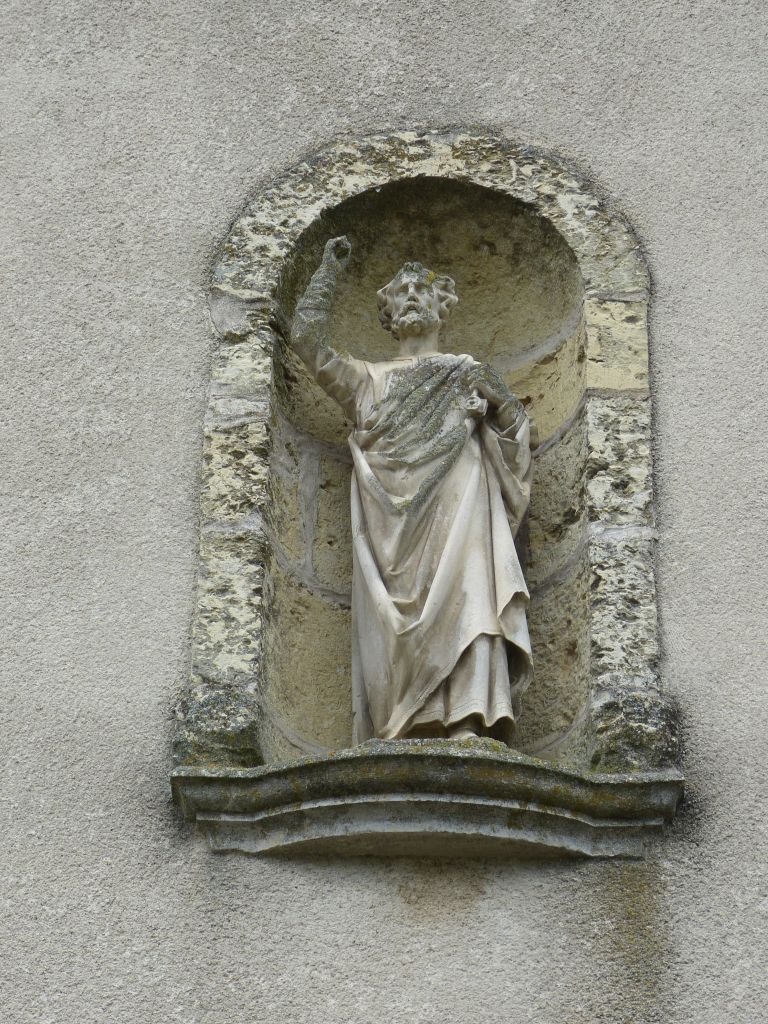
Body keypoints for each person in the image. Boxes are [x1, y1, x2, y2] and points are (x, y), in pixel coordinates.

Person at [291, 235, 533, 744]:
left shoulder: (467, 373)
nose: (411, 297)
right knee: (390, 624)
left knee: (471, 590)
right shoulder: (367, 381)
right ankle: (399, 726)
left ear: (443, 305)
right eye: (401, 291)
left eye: (422, 290)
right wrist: (327, 274)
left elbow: (513, 451)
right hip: (388, 526)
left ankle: (469, 716)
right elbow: (308, 343)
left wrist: (503, 402)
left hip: (461, 506)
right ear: (388, 313)